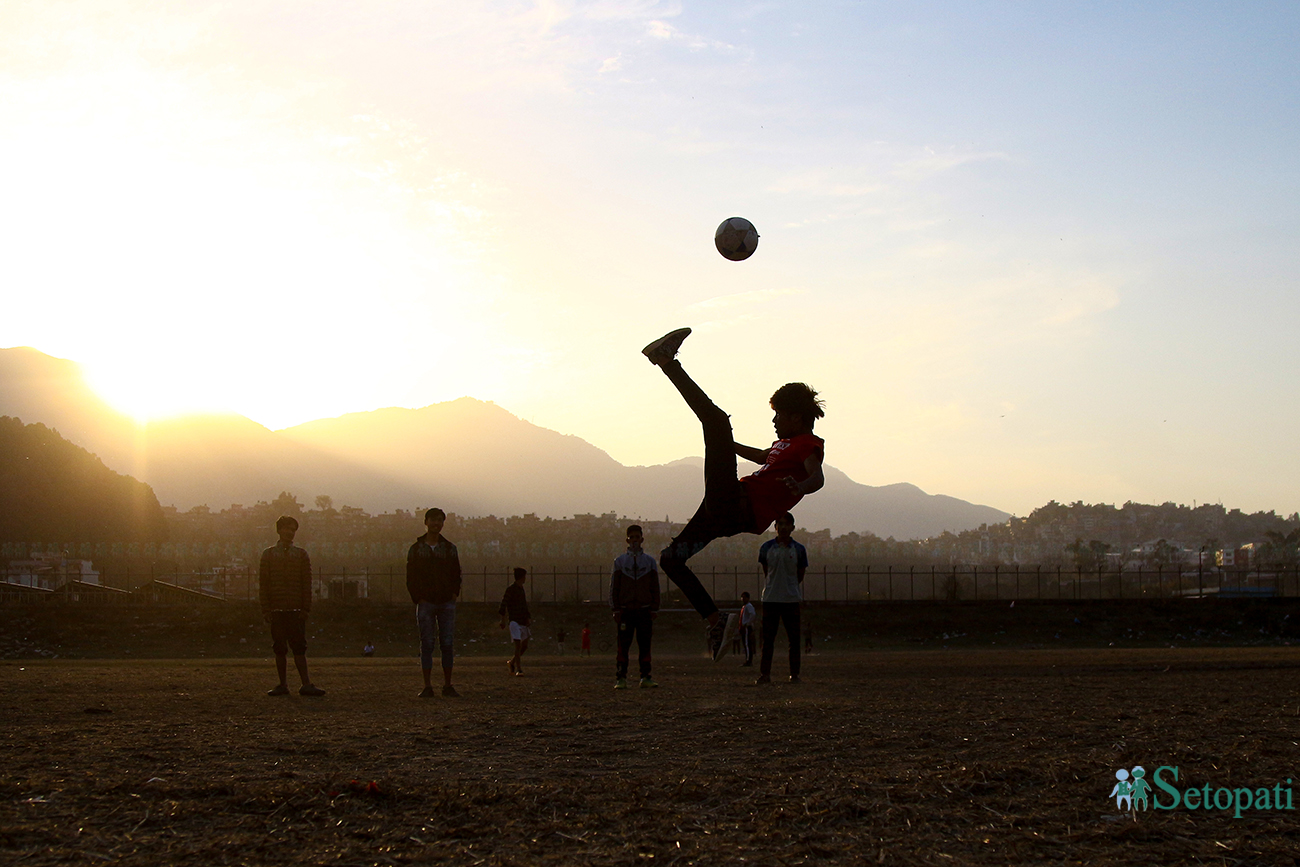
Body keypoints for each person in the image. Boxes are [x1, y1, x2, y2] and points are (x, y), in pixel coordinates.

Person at [642, 327, 825, 660]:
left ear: (796, 417)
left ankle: (666, 361)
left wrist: (799, 487)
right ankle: (716, 621)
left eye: (779, 414)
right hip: (722, 511)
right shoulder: (781, 445)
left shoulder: (807, 445)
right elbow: (759, 456)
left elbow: (818, 478)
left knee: (716, 420)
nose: (773, 420)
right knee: (671, 558)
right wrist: (723, 443)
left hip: (734, 505)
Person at [259, 515, 325, 697]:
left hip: (296, 610)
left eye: (292, 530)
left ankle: (306, 684)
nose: (289, 532)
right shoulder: (268, 555)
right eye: (286, 529)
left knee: (299, 647)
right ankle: (283, 684)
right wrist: (266, 608)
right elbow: (263, 584)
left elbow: (306, 584)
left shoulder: (301, 555)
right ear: (279, 530)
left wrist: (306, 608)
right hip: (276, 609)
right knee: (279, 648)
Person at [406, 508, 463, 697]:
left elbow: (457, 574)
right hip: (426, 602)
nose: (436, 523)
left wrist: (454, 593)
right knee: (427, 644)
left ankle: (447, 685)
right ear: (426, 522)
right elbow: (410, 576)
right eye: (433, 520)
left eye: (439, 520)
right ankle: (428, 686)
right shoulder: (416, 549)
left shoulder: (449, 548)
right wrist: (418, 597)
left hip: (446, 601)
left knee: (447, 644)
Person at [757, 512, 807, 684]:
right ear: (775, 527)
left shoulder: (799, 549)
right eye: (780, 524)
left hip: (791, 599)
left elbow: (800, 574)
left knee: (794, 640)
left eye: (787, 524)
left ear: (792, 527)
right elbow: (766, 571)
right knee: (768, 640)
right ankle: (765, 674)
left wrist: (789, 587)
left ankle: (794, 674)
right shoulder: (766, 548)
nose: (784, 527)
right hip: (771, 599)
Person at [610, 524, 660, 689]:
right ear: (627, 540)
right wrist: (615, 608)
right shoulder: (620, 562)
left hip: (644, 610)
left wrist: (654, 607)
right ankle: (621, 678)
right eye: (631, 538)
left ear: (642, 539)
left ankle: (645, 677)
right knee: (623, 645)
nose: (634, 541)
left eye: (637, 537)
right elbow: (614, 587)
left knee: (645, 645)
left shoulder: (650, 562)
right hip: (625, 610)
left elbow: (655, 587)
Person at [499, 567, 531, 676]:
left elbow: (524, 605)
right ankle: (519, 669)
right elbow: (503, 604)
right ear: (521, 577)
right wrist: (503, 620)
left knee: (524, 645)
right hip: (514, 621)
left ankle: (512, 662)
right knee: (518, 645)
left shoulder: (521, 589)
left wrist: (528, 617)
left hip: (522, 620)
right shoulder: (510, 590)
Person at [738, 591, 757, 666]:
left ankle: (749, 660)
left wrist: (747, 623)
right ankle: (748, 659)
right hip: (744, 627)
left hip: (747, 628)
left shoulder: (749, 606)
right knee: (745, 643)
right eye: (742, 597)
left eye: (744, 597)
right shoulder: (744, 607)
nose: (742, 599)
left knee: (747, 644)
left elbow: (753, 614)